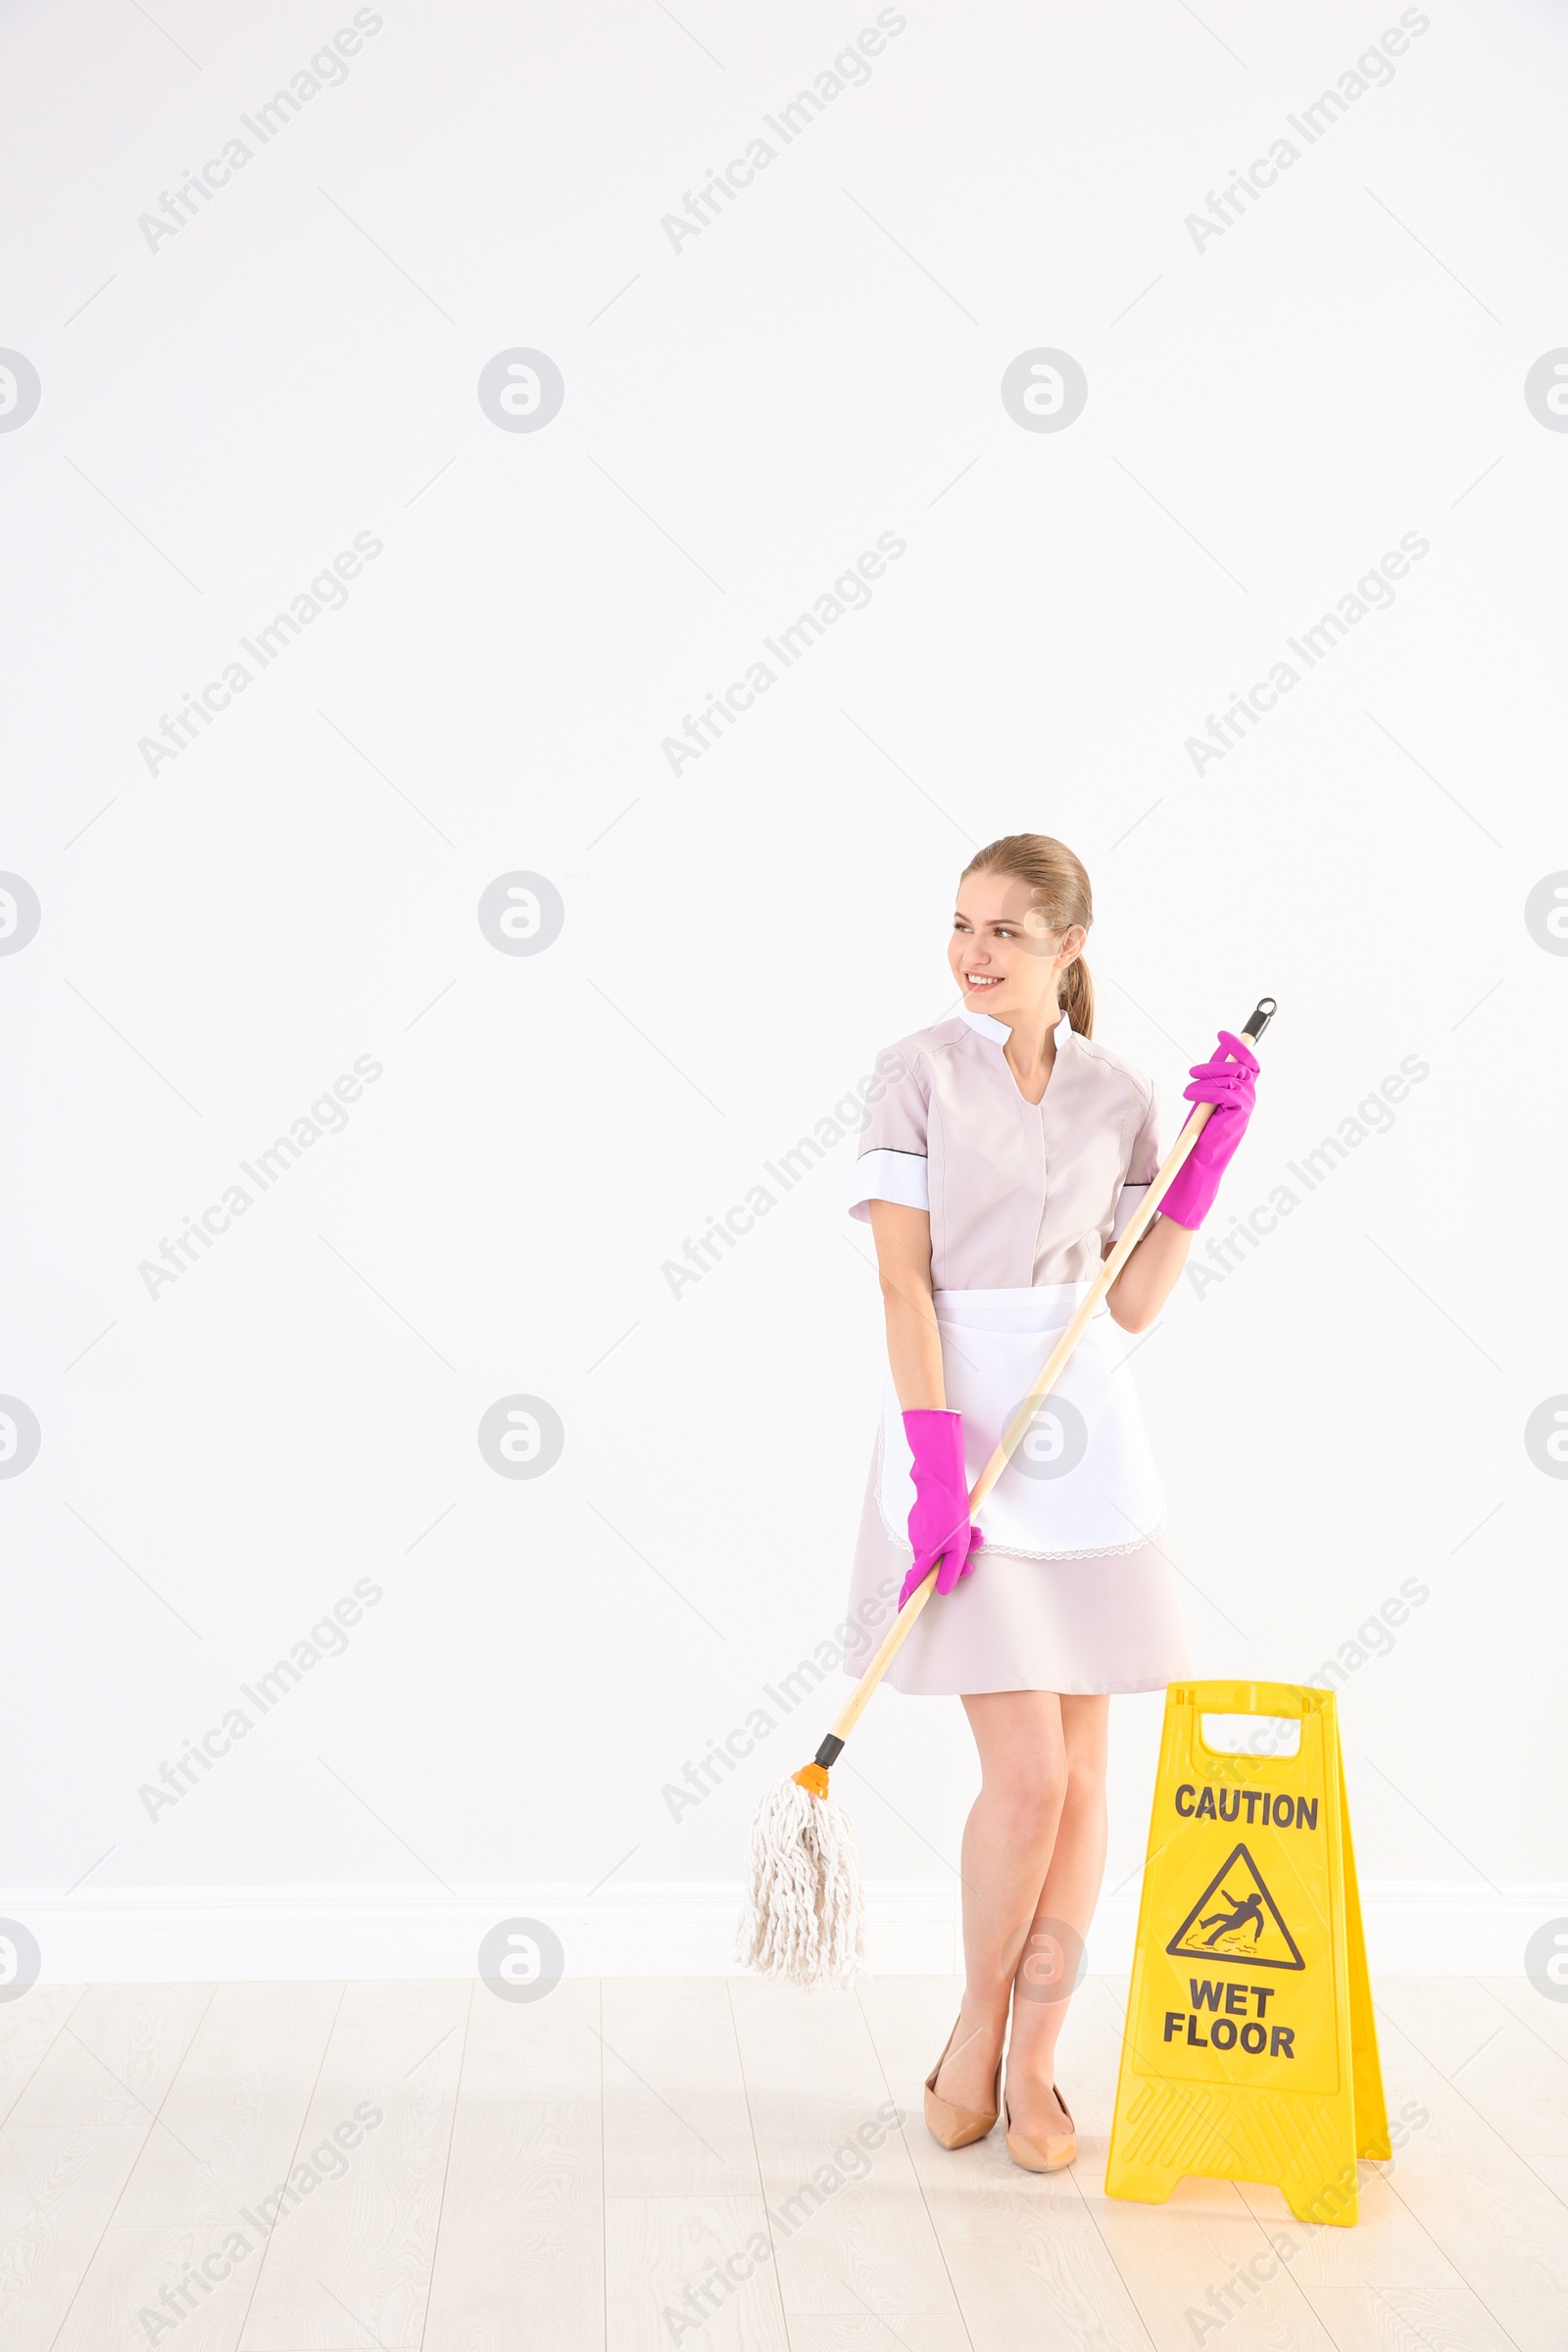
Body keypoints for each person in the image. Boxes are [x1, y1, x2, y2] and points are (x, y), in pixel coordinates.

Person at [841, 833, 1258, 2172]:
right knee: (1022, 1779)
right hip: (963, 1428)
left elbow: (1130, 1299)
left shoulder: (1123, 1096)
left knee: (1083, 1784)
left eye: (1006, 933)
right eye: (961, 925)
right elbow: (904, 1287)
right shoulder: (915, 1076)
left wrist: (1202, 1165)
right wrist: (931, 1469)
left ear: (1070, 946)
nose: (973, 954)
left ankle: (1036, 2066)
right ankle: (973, 2031)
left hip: (1083, 1435)